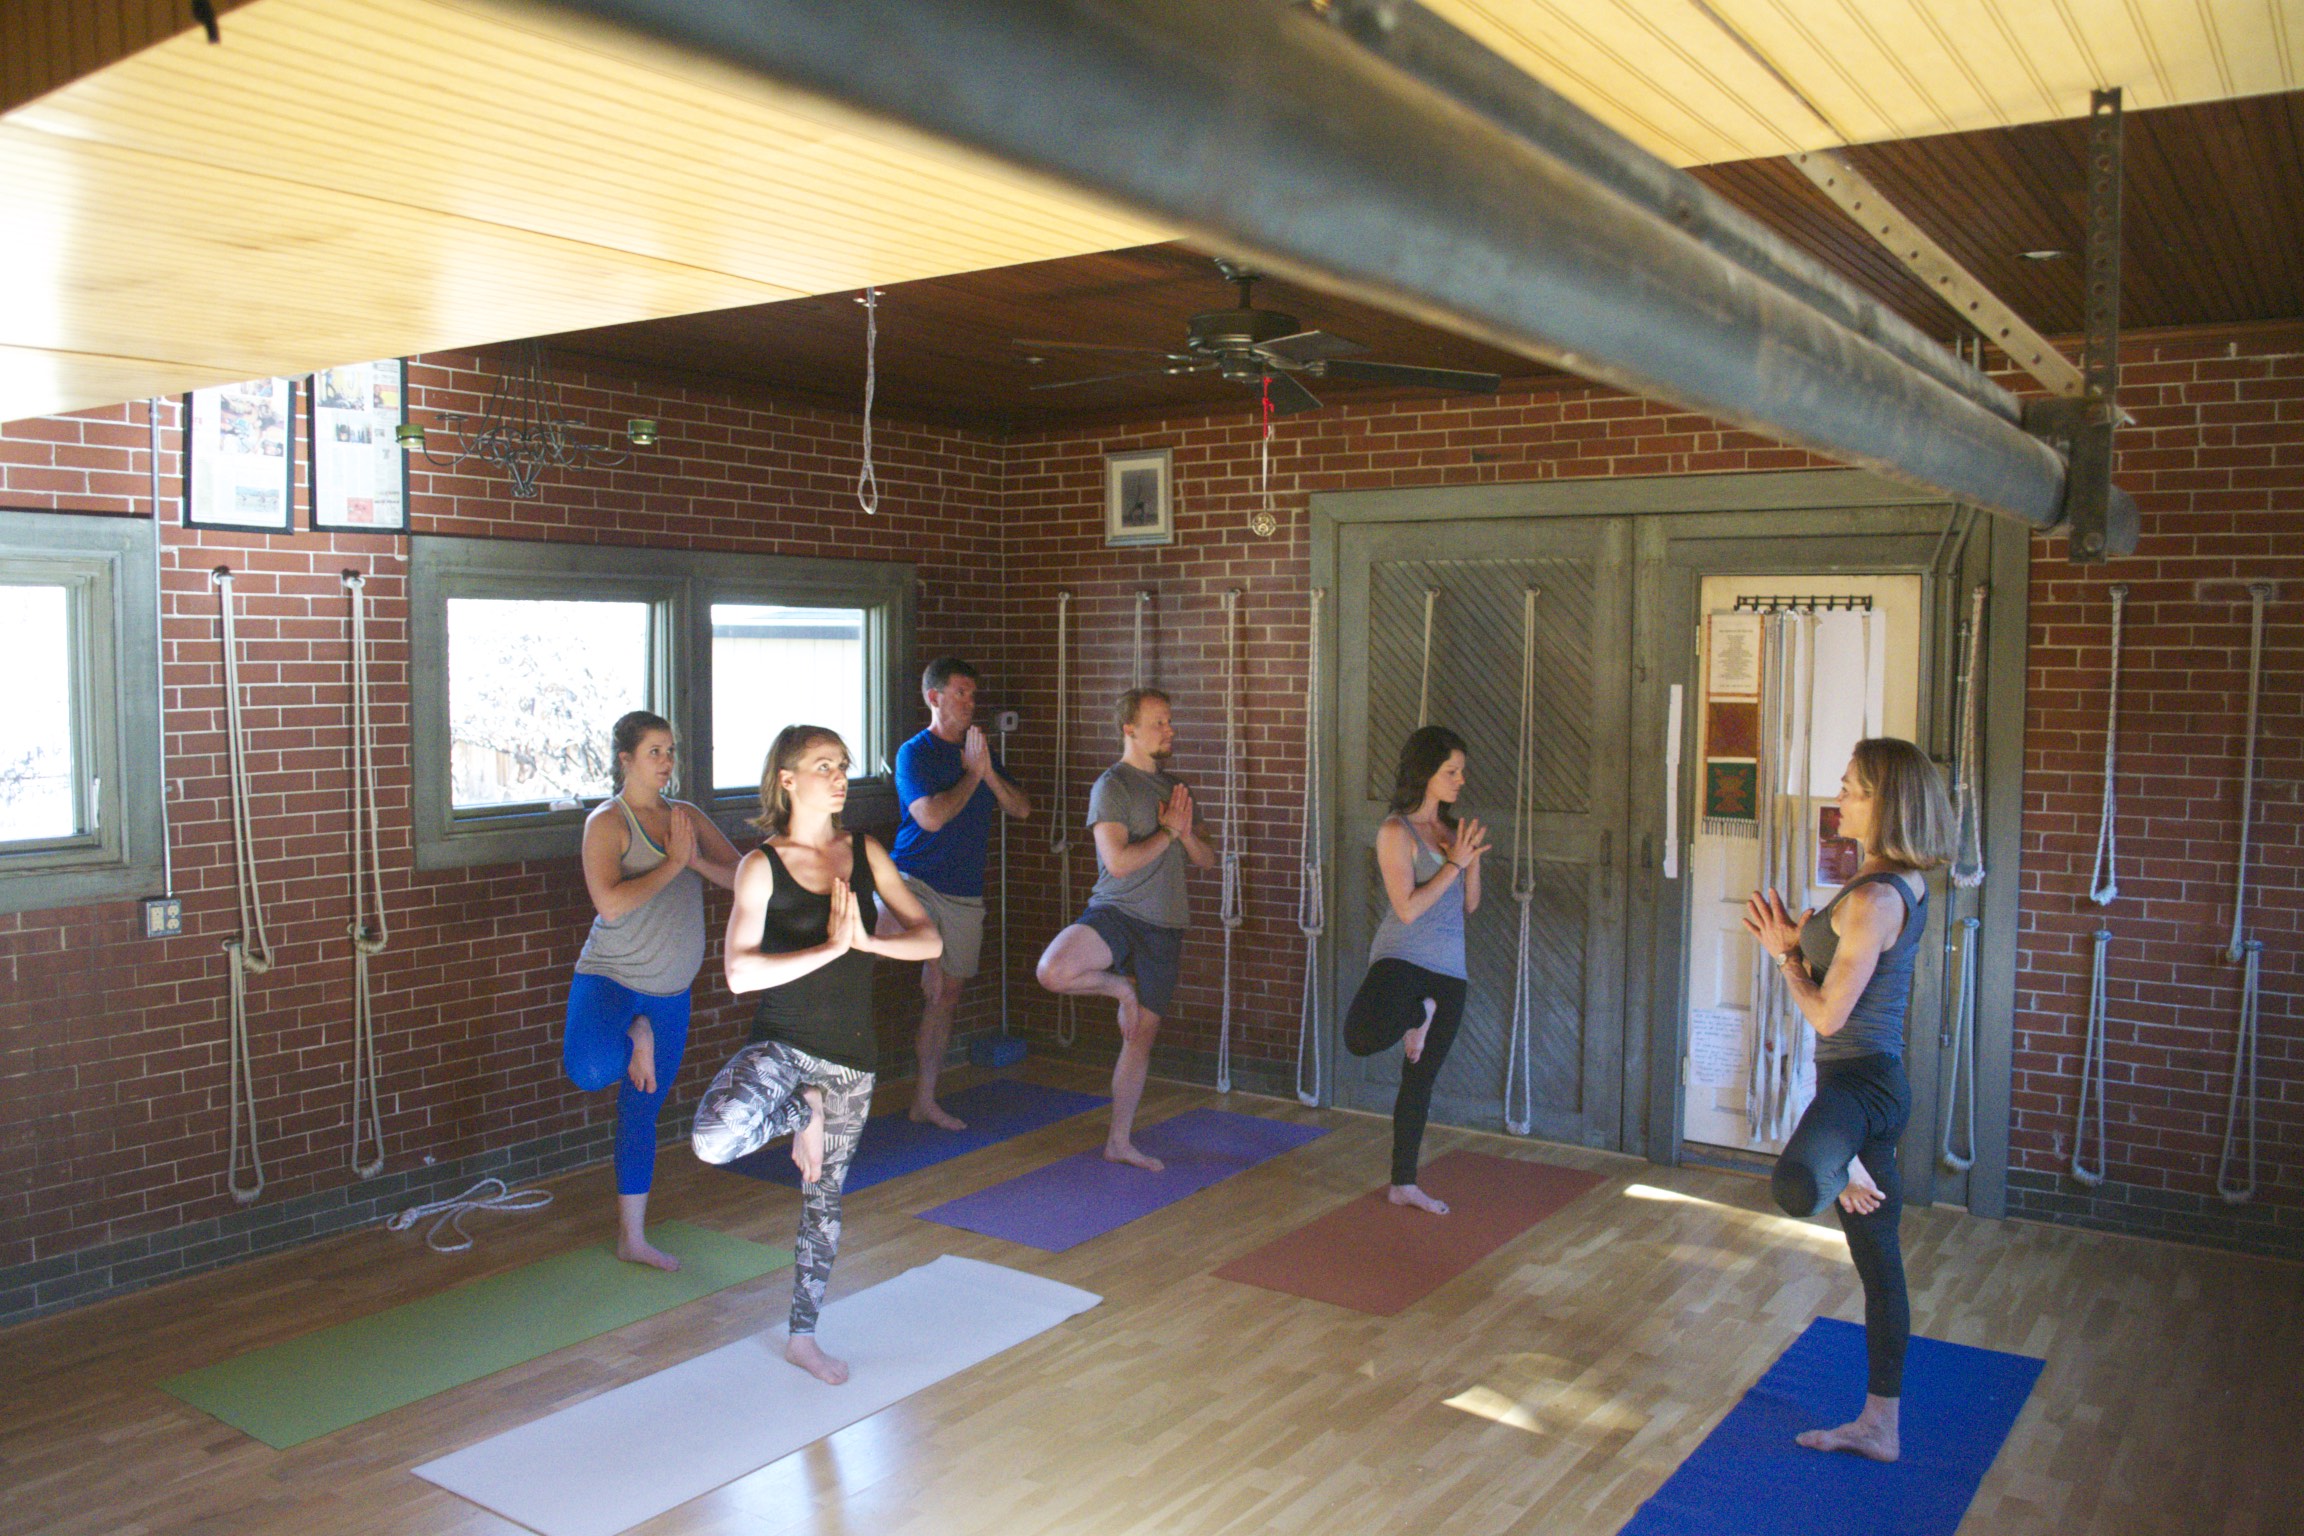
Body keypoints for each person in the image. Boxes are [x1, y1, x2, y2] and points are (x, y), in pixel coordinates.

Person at [690, 725, 940, 1386]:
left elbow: (929, 941)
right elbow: (740, 974)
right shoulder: (759, 866)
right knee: (713, 1140)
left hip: (850, 1062)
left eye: (844, 765)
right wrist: (828, 949)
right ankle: (802, 1113)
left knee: (823, 1201)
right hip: (781, 1047)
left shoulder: (864, 852)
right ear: (787, 779)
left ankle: (804, 1338)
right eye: (824, 765)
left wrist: (871, 944)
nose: (839, 777)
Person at [1743, 736, 1954, 1463]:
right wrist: (1802, 939)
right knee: (1880, 1265)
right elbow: (1844, 967)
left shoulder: (1872, 898)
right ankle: (1880, 1426)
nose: (1840, 797)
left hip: (1860, 1091)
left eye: (1852, 787)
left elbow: (1830, 1016)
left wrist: (1783, 959)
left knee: (1798, 1183)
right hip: (1866, 1088)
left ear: (1886, 801)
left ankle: (1845, 1165)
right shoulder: (1890, 879)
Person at [566, 710, 742, 1271]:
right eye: (654, 752)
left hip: (670, 991)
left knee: (642, 1110)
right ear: (625, 760)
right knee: (590, 1070)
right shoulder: (607, 823)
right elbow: (611, 903)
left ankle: (632, 1239)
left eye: (670, 751)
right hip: (611, 980)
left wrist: (693, 861)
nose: (666, 763)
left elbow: (742, 877)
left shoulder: (685, 816)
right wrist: (672, 866)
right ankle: (634, 1033)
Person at [1034, 687, 1213, 1171]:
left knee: (1140, 1038)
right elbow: (1117, 863)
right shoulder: (1111, 786)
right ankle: (1120, 989)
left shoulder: (1177, 791)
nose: (1169, 730)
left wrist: (1187, 832)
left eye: (1170, 722)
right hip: (1115, 913)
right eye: (1159, 722)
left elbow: (1207, 860)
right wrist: (1167, 834)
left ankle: (1119, 1140)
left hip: (1165, 926)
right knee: (1053, 970)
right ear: (1129, 729)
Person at [1342, 726, 1490, 1215]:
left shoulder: (1453, 833)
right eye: (1451, 771)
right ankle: (1416, 1014)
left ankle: (1403, 1183)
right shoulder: (1395, 832)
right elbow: (1406, 908)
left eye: (1460, 771)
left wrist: (1470, 865)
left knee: (1419, 1080)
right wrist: (1452, 865)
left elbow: (1469, 907)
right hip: (1402, 957)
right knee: (1360, 1037)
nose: (1460, 780)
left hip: (1450, 970)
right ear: (1425, 773)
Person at [890, 658, 1033, 1129]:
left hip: (963, 892)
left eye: (973, 695)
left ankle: (924, 1099)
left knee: (946, 994)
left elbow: (1023, 809)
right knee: (887, 952)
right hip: (912, 880)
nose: (970, 703)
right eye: (960, 693)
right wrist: (972, 775)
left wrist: (986, 771)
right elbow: (931, 817)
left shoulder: (978, 752)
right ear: (934, 698)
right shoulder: (917, 753)